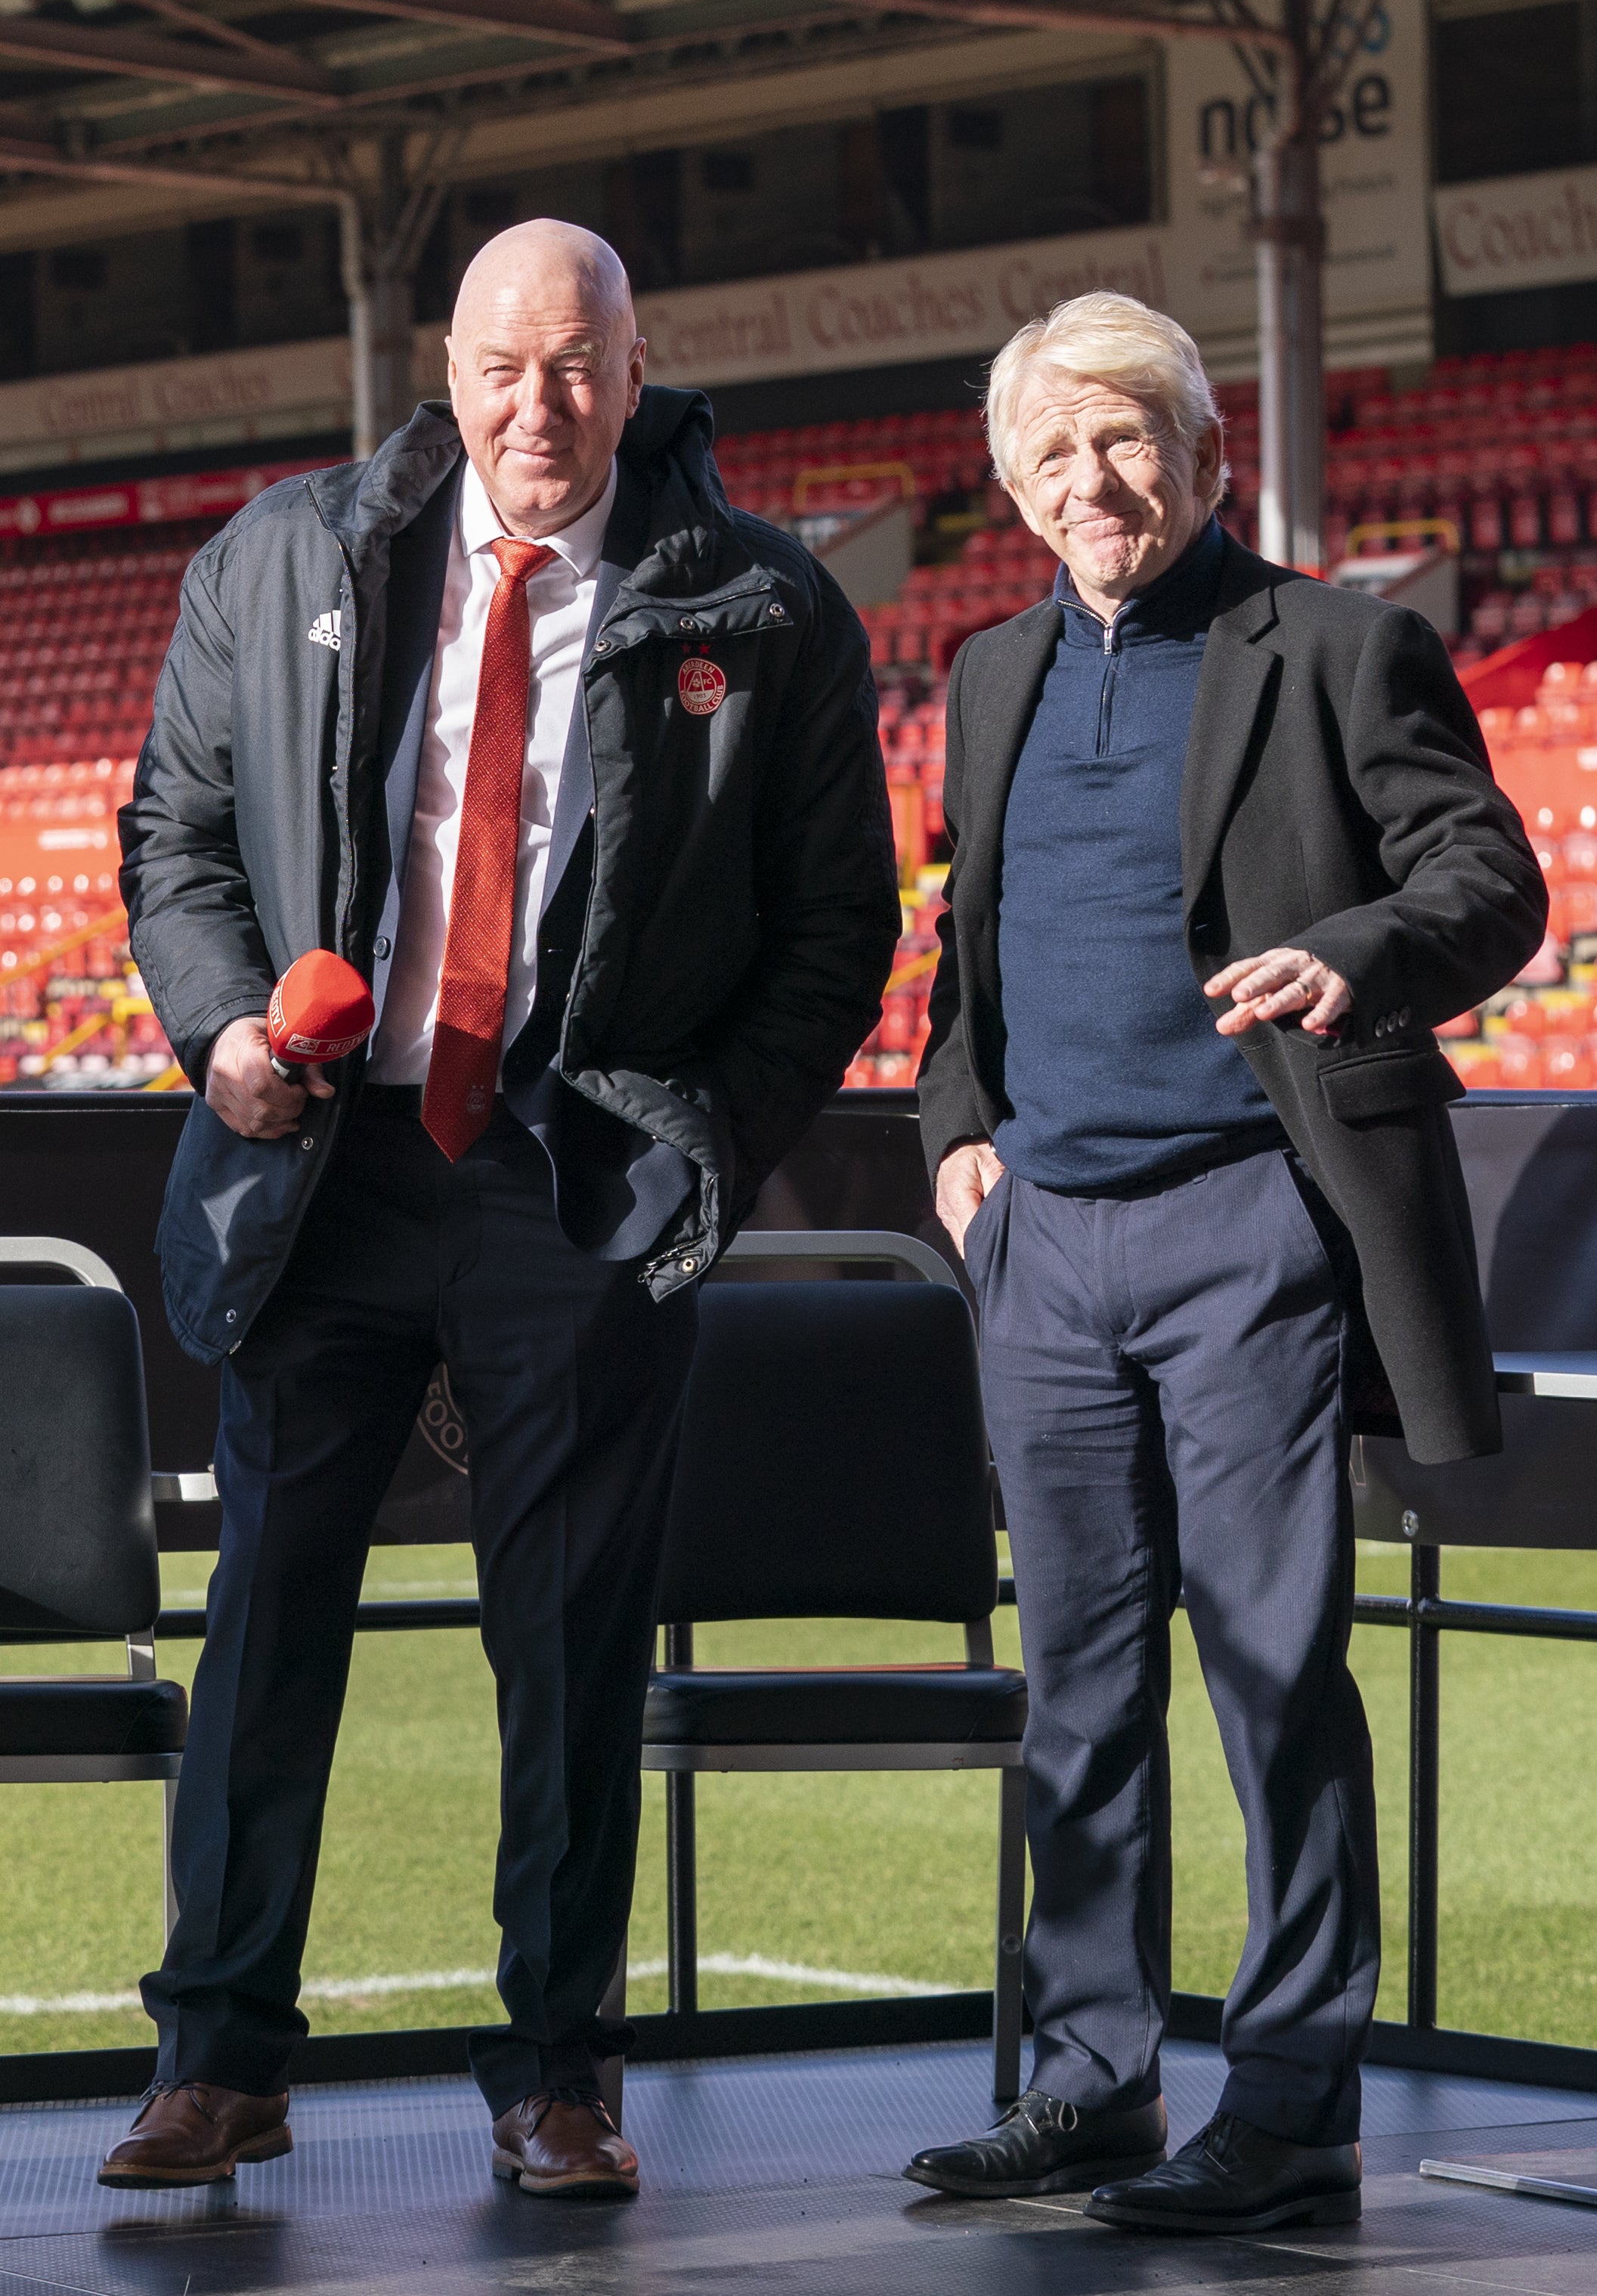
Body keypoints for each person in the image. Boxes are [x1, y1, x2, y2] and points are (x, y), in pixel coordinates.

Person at [104, 221, 899, 2197]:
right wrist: (218, 1031)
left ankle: (560, 2071)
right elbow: (177, 835)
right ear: (443, 373)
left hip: (579, 1169)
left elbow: (838, 928)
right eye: (500, 364)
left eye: (575, 365)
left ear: (639, 375)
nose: (535, 405)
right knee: (271, 1614)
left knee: (570, 1642)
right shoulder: (285, 556)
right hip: (323, 1167)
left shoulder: (764, 603)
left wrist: (705, 1126)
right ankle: (219, 2057)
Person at [904, 291, 1545, 2235]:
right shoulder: (991, 667)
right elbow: (971, 958)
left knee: (1272, 1672)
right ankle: (1092, 2081)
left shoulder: (1343, 643)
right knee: (1076, 1690)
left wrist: (1356, 952)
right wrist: (954, 1136)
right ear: (1012, 489)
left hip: (1249, 1218)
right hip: (1044, 1247)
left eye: (1123, 440)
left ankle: (1290, 2106)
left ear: (1200, 452)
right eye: (1050, 454)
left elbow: (1489, 880)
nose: (1090, 482)